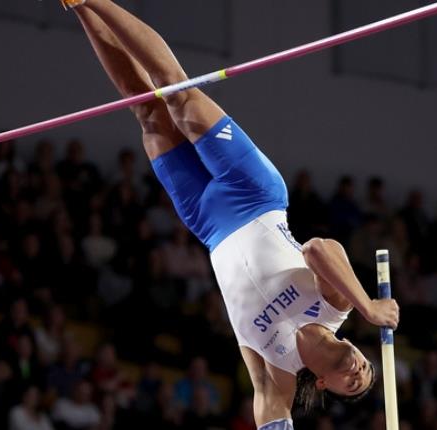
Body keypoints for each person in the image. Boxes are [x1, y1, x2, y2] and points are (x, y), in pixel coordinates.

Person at [60, 1, 399, 428]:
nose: (359, 372)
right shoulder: (338, 308)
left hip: (207, 222)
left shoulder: (278, 375)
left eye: (353, 384)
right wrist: (368, 306)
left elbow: (269, 413)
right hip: (253, 192)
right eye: (367, 369)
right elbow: (317, 249)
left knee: (145, 109)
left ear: (326, 385)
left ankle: (78, 7)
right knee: (177, 92)